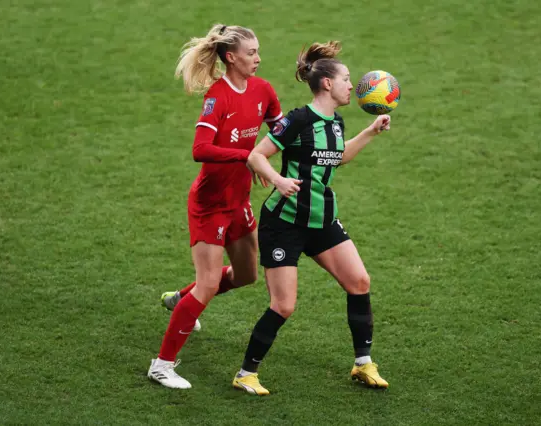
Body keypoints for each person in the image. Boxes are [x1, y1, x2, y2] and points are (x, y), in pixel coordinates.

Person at [231, 41, 391, 395]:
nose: (353, 85)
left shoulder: (336, 121)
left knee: (359, 282)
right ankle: (246, 373)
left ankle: (363, 364)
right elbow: (256, 156)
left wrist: (370, 132)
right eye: (347, 79)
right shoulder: (298, 119)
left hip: (322, 219)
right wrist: (278, 180)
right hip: (284, 224)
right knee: (284, 305)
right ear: (328, 84)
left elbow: (338, 157)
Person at [147, 23, 283, 390]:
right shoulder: (217, 97)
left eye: (257, 51)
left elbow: (280, 130)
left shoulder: (263, 90)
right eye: (251, 52)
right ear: (230, 57)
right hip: (210, 205)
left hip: (238, 201)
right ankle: (162, 365)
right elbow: (200, 149)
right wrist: (250, 156)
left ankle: (181, 300)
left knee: (246, 275)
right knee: (208, 285)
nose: (258, 58)